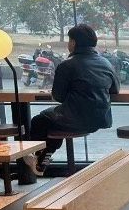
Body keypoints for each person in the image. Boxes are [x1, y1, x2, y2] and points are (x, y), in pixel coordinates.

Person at [23, 24, 120, 178]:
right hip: (99, 119)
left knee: (40, 120)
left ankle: (37, 155)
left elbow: (58, 97)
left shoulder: (67, 65)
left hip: (74, 118)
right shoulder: (106, 63)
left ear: (73, 43)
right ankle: (44, 156)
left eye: (69, 41)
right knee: (55, 119)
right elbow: (115, 90)